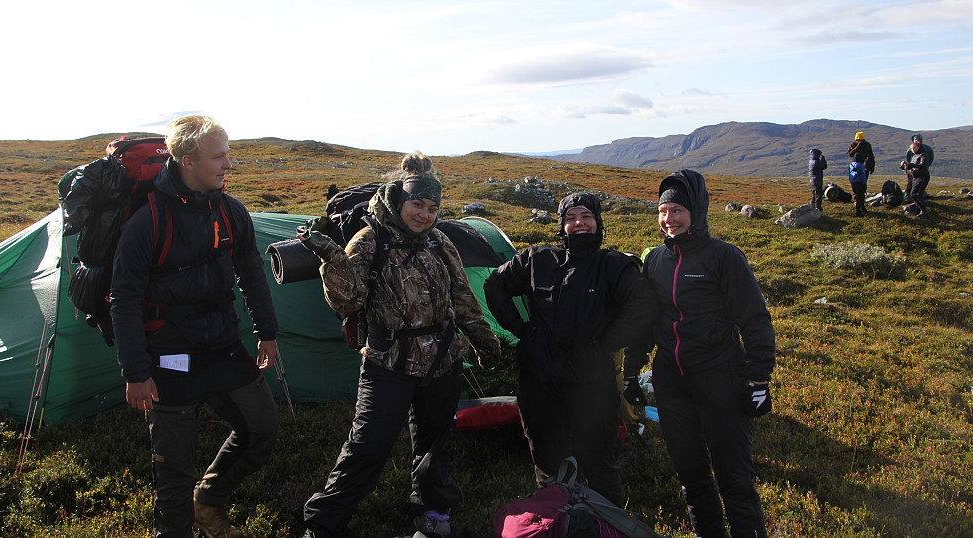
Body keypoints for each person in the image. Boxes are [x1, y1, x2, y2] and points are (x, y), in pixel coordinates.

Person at [299, 152, 502, 538]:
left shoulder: (440, 241)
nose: (424, 215)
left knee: (433, 444)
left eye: (432, 208)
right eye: (417, 205)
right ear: (398, 200)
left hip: (443, 360)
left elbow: (463, 298)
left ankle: (431, 511)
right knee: (367, 447)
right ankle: (323, 525)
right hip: (387, 363)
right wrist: (330, 257)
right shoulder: (369, 240)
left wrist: (484, 341)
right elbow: (350, 300)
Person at [109, 115, 280, 538]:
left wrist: (267, 331)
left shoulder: (230, 209)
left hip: (221, 346)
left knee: (260, 431)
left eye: (229, 155)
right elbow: (124, 300)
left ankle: (207, 503)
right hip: (167, 355)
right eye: (219, 157)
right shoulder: (146, 222)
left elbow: (251, 272)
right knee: (173, 471)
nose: (229, 165)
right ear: (187, 160)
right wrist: (136, 373)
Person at [483, 192, 657, 508]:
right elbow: (494, 286)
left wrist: (606, 343)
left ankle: (608, 524)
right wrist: (522, 330)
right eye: (571, 218)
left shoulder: (612, 265)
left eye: (586, 217)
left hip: (591, 383)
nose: (579, 223)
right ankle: (555, 520)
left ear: (597, 223)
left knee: (599, 463)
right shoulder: (538, 259)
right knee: (548, 465)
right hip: (539, 379)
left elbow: (644, 305)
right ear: (562, 225)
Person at [635, 169, 775, 538]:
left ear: (696, 210)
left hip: (721, 378)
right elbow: (649, 323)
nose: (669, 219)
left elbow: (755, 320)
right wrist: (633, 369)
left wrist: (758, 379)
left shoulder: (724, 257)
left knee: (735, 480)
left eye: (677, 210)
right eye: (663, 211)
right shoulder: (656, 262)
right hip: (672, 382)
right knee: (692, 478)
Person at [900, 133, 933, 217]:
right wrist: (906, 166)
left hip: (922, 176)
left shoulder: (924, 153)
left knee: (916, 194)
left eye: (914, 148)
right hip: (915, 175)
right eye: (912, 148)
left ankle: (923, 210)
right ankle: (919, 207)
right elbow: (910, 161)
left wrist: (912, 165)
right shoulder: (914, 154)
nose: (912, 149)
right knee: (913, 192)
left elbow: (924, 165)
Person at [846, 131, 875, 217]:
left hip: (863, 168)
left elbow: (871, 156)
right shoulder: (854, 145)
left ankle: (860, 206)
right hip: (858, 168)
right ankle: (859, 206)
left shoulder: (867, 145)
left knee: (861, 189)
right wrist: (858, 147)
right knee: (859, 188)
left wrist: (871, 166)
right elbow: (850, 154)